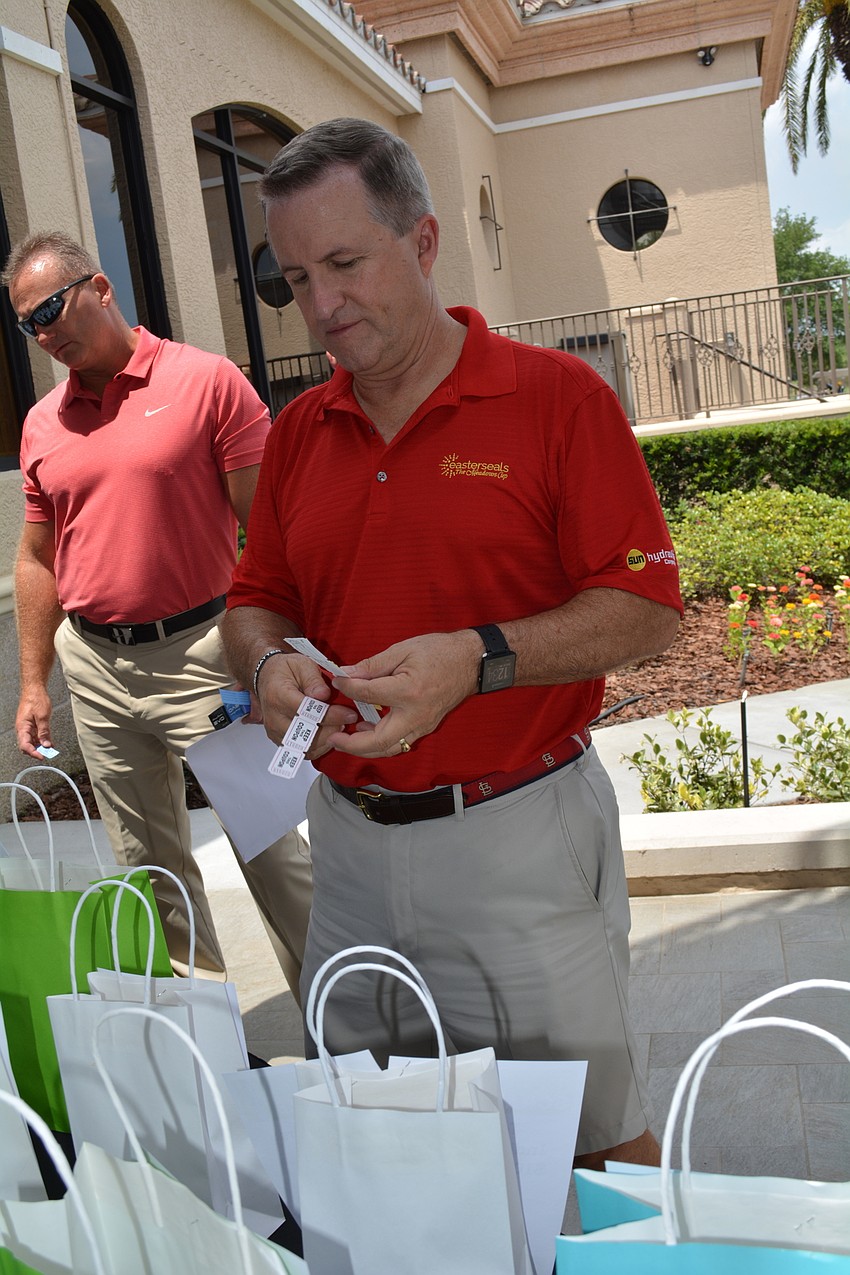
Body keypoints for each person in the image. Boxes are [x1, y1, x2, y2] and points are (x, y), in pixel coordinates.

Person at [221, 118, 682, 1168]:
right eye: (295, 278)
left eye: (345, 262)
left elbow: (648, 609)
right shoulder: (295, 434)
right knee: (377, 1141)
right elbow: (253, 602)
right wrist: (264, 665)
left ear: (424, 242)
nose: (322, 306)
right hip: (344, 846)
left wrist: (477, 657)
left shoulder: (555, 399)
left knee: (591, 1150)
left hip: (516, 835)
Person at [4, 231, 312, 990]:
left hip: (209, 651)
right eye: (27, 323)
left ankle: (346, 1033)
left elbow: (273, 534)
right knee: (149, 870)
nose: (45, 331)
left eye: (51, 307)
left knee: (271, 848)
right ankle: (207, 1047)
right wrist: (36, 681)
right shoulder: (44, 422)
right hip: (98, 666)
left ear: (100, 287)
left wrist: (285, 649)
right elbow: (36, 559)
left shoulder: (206, 382)